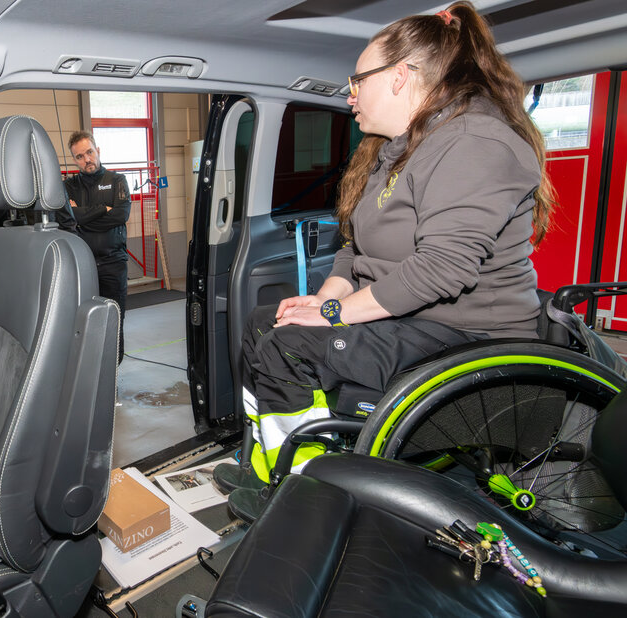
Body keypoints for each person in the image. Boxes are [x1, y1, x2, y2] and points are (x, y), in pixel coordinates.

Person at [219, 1, 554, 515]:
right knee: (266, 323)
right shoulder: (399, 149)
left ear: (400, 77)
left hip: (466, 337)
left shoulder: (474, 141)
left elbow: (442, 267)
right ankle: (267, 460)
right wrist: (326, 295)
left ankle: (307, 493)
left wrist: (333, 316)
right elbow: (358, 248)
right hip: (412, 320)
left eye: (358, 80)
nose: (349, 94)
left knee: (292, 346)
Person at [59, 131, 131, 362]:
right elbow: (67, 218)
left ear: (97, 151)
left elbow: (121, 215)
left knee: (114, 319)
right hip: (82, 265)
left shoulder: (117, 181)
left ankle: (112, 374)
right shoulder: (68, 187)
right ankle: (89, 372)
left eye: (89, 152)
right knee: (84, 321)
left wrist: (83, 216)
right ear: (74, 160)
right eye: (79, 156)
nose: (86, 159)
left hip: (113, 264)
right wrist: (103, 208)